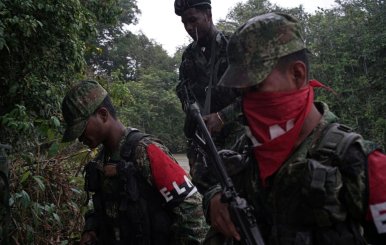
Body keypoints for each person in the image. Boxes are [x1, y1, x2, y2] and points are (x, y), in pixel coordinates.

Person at [201, 13, 386, 244]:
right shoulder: (249, 145)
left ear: (298, 74)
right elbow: (217, 183)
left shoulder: (361, 163)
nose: (247, 102)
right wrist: (214, 198)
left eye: (256, 87)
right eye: (241, 92)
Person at [61, 80, 208, 245]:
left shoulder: (146, 150)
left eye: (82, 128)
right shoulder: (101, 161)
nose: (80, 138)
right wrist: (91, 229)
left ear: (103, 115)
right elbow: (102, 208)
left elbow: (193, 209)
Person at [174, 0, 243, 177]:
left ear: (208, 15)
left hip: (238, 140)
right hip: (203, 142)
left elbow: (256, 94)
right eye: (184, 23)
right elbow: (184, 93)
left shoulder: (233, 45)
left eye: (193, 20)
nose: (189, 27)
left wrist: (222, 116)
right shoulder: (188, 56)